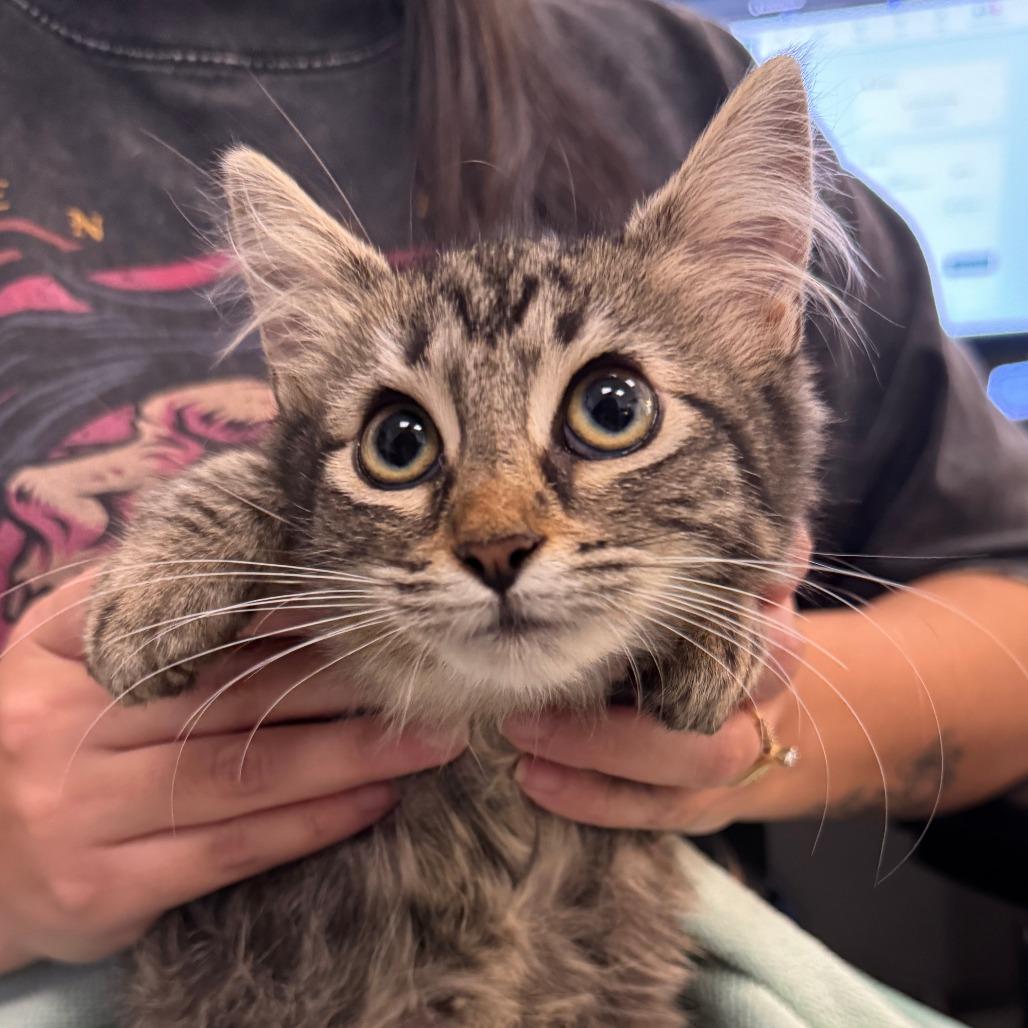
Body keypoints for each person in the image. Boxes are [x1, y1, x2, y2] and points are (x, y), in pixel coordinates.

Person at [1, 0, 1026, 1010]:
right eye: (402, 440)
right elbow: (289, 471)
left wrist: (753, 708)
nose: (496, 529)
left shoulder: (667, 65)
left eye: (607, 409)